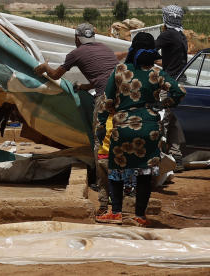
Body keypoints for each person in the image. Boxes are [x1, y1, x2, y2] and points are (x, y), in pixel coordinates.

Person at [94, 32, 185, 226]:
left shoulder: (119, 70)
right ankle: (140, 216)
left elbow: (107, 100)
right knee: (145, 173)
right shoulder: (156, 72)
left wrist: (102, 124)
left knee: (116, 170)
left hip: (122, 128)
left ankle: (116, 212)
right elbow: (179, 91)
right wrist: (163, 104)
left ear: (132, 49)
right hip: (149, 129)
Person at [33, 22, 118, 214]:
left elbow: (55, 75)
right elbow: (104, 75)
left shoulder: (75, 54)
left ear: (77, 38)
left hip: (105, 100)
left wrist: (45, 67)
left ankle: (103, 185)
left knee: (100, 142)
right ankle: (124, 183)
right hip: (123, 97)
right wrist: (86, 87)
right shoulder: (105, 49)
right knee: (116, 140)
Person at [156, 4, 189, 164]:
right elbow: (174, 60)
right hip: (181, 81)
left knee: (162, 119)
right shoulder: (181, 35)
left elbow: (148, 50)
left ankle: (160, 157)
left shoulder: (167, 34)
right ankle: (176, 155)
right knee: (174, 119)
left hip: (169, 83)